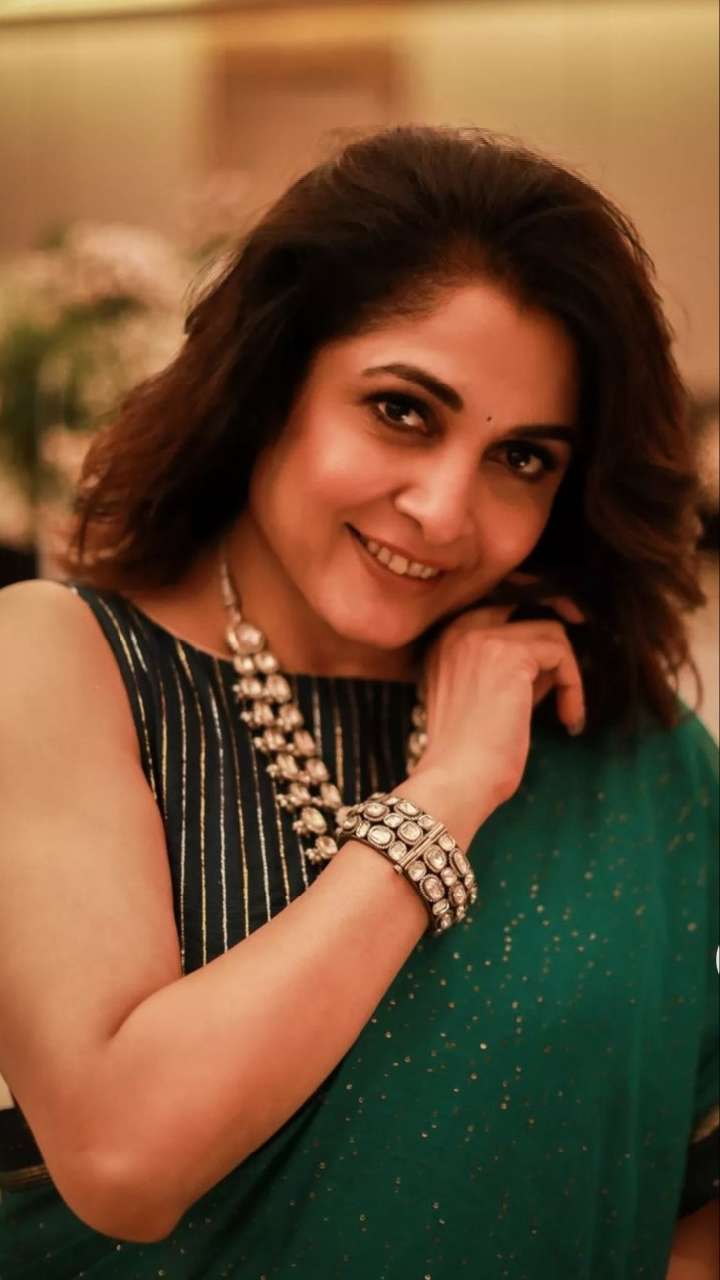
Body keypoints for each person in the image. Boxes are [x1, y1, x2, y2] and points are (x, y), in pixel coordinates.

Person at [0, 124, 716, 1279]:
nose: (444, 508)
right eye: (402, 410)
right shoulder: (61, 663)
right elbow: (124, 1154)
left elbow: (691, 1197)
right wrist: (451, 788)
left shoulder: (621, 746)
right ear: (271, 380)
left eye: (523, 458)